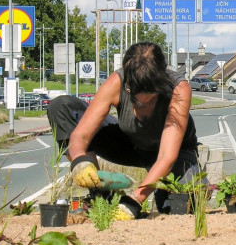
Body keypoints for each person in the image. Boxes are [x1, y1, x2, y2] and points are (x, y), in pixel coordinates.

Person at [47, 41, 202, 218]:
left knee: (182, 202)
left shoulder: (178, 89)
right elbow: (81, 134)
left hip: (172, 152)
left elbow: (167, 156)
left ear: (160, 82)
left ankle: (165, 193)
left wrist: (135, 199)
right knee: (60, 107)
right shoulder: (117, 82)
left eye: (149, 95)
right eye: (133, 92)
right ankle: (100, 196)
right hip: (129, 144)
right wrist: (80, 161)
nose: (141, 100)